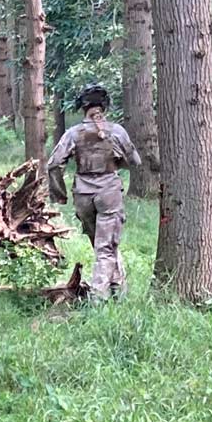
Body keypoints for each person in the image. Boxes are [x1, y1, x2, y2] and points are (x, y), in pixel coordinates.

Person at [47, 84, 142, 300]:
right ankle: (98, 298)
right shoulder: (116, 131)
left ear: (83, 108)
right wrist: (117, 160)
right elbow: (135, 160)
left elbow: (54, 164)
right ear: (104, 106)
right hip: (108, 192)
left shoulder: (73, 133)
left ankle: (119, 290)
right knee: (106, 248)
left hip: (82, 195)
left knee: (103, 246)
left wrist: (59, 194)